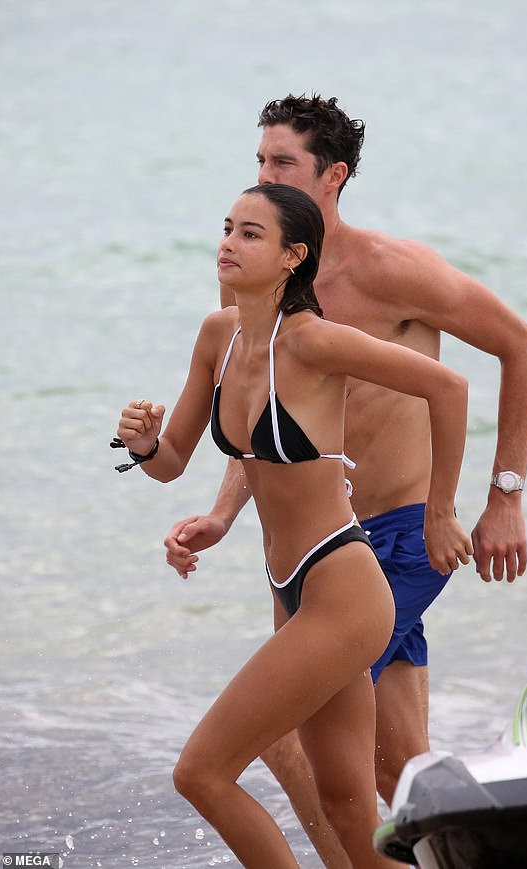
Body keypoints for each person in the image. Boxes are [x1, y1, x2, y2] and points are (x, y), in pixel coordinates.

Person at [163, 94, 527, 856]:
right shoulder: (257, 283)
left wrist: (499, 497)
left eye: (284, 163)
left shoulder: (392, 272)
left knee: (287, 742)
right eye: (260, 160)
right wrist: (224, 511)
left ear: (332, 176)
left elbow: (522, 347)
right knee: (399, 762)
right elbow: (265, 416)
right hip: (319, 546)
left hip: (396, 538)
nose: (265, 176)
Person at [114, 183, 472, 868]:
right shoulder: (219, 337)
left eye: (251, 234)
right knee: (346, 807)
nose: (228, 242)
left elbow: (447, 386)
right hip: (290, 590)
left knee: (201, 771)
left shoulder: (315, 341)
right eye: (226, 228)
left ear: (292, 256)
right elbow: (172, 461)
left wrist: (441, 507)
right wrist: (143, 443)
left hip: (343, 589)